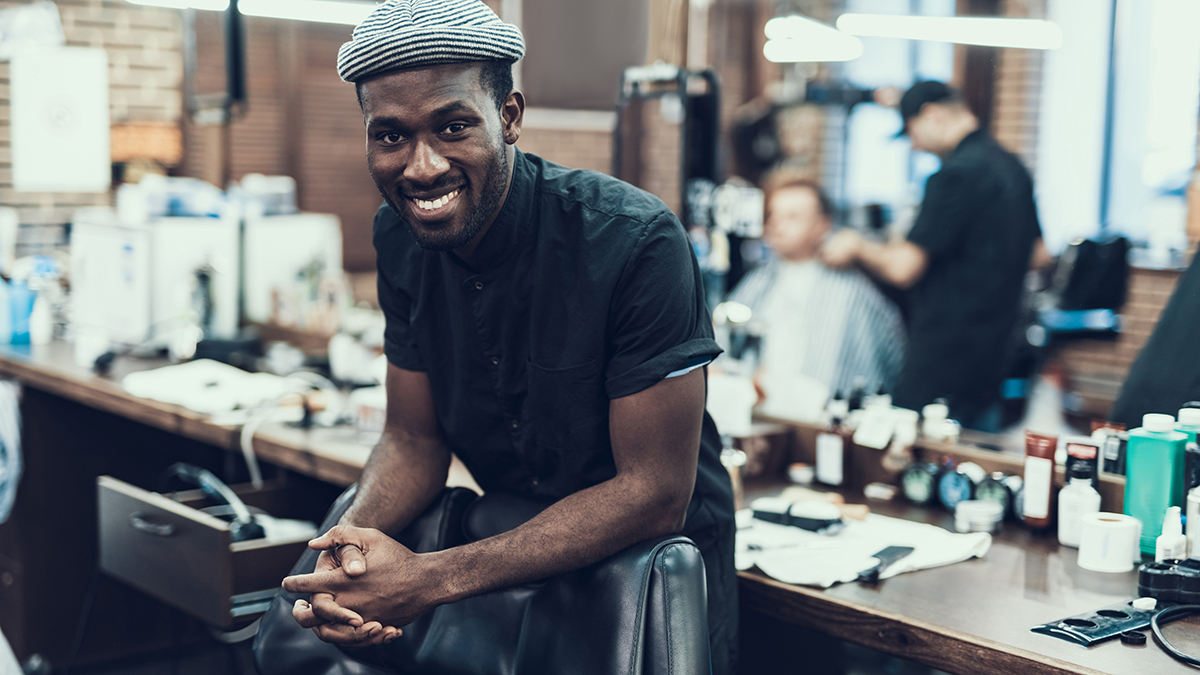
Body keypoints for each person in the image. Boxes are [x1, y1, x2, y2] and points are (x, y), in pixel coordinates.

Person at [278, 0, 737, 671]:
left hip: (646, 582)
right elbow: (413, 437)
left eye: (454, 125)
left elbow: (653, 493)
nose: (422, 166)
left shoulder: (633, 240)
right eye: (391, 135)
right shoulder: (398, 239)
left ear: (510, 117)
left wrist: (427, 578)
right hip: (502, 567)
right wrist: (349, 549)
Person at [821, 81, 1041, 429]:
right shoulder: (1013, 167)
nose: (913, 144)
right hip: (995, 354)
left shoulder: (954, 176)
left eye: (911, 131)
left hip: (945, 356)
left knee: (917, 457)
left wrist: (857, 245)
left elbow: (903, 268)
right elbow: (1038, 255)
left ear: (932, 115)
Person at [721, 174, 905, 400]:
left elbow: (879, 367)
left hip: (816, 419)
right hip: (758, 410)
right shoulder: (757, 281)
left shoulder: (850, 291)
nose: (776, 225)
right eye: (773, 215)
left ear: (822, 225)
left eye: (792, 217)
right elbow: (723, 343)